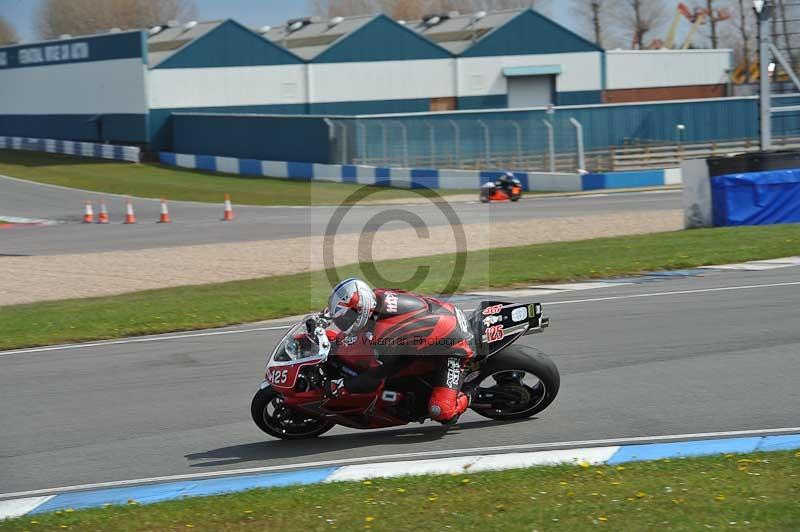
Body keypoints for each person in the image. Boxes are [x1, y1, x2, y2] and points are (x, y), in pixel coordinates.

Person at [327, 278, 473, 423]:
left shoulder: (384, 334)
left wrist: (343, 385)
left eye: (346, 318)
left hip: (454, 347)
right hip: (444, 317)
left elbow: (376, 378)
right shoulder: (377, 295)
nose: (342, 323)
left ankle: (472, 392)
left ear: (361, 310)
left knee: (441, 410)